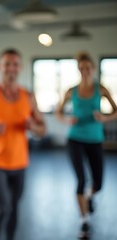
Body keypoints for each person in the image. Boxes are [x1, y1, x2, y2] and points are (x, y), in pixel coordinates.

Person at [0, 48, 46, 240]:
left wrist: (33, 126)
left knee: (15, 208)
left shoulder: (28, 96)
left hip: (20, 162)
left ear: (21, 67)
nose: (11, 68)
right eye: (7, 64)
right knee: (3, 207)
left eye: (15, 64)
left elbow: (43, 128)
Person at [56, 52, 117, 239]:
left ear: (93, 69)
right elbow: (58, 113)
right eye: (81, 68)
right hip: (75, 139)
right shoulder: (71, 90)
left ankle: (90, 196)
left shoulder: (102, 89)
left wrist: (104, 117)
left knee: (98, 184)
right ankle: (84, 221)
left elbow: (116, 111)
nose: (84, 71)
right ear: (78, 69)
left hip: (95, 139)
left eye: (88, 68)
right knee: (81, 180)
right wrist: (67, 119)